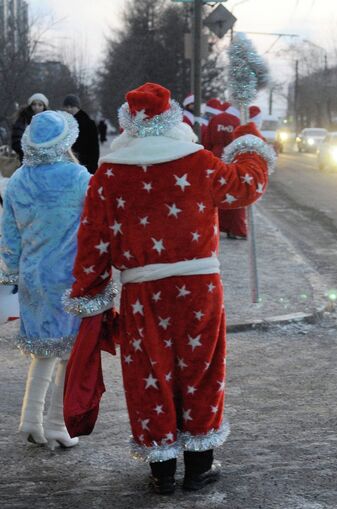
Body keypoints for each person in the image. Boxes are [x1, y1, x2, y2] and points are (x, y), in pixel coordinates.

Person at [64, 82, 273, 494]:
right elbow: (245, 186)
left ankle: (161, 471)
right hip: (199, 287)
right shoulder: (199, 161)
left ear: (129, 123)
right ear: (172, 118)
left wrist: (90, 292)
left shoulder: (109, 173)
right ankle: (199, 466)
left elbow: (94, 239)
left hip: (143, 293)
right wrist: (250, 145)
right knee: (201, 368)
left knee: (148, 374)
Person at [0, 110, 91, 450]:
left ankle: (30, 420)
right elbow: (94, 226)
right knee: (68, 352)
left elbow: (9, 235)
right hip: (68, 276)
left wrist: (11, 270)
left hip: (33, 277)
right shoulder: (80, 177)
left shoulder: (18, 181)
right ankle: (57, 424)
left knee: (42, 352)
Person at [206, 101, 248, 239]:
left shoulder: (215, 119)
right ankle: (236, 228)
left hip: (216, 158)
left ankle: (218, 226)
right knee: (235, 191)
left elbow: (207, 141)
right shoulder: (237, 122)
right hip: (233, 159)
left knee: (216, 193)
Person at [63, 94, 100, 173]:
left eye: (72, 106)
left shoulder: (88, 123)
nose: (69, 109)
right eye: (66, 106)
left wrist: (92, 168)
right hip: (66, 164)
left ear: (78, 107)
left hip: (84, 164)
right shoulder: (62, 123)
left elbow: (94, 148)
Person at [11, 93, 48, 160]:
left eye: (40, 105)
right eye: (34, 104)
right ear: (30, 105)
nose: (37, 107)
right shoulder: (22, 120)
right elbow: (16, 141)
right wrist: (30, 153)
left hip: (45, 159)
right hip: (25, 159)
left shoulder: (49, 121)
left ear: (44, 107)